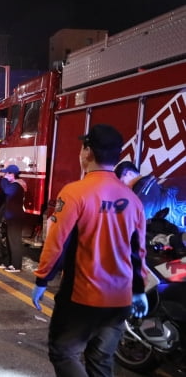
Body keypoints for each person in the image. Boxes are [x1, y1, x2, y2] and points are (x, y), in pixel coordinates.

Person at [32, 124, 148, 377]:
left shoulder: (74, 193)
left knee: (63, 351)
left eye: (82, 147)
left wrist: (42, 279)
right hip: (120, 299)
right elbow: (138, 251)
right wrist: (139, 291)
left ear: (87, 153)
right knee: (100, 358)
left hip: (81, 297)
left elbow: (56, 242)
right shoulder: (133, 200)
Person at [114, 160, 181, 227]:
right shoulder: (154, 182)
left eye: (122, 182)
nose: (124, 188)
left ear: (129, 173)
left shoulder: (141, 193)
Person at [0, 164, 26, 272]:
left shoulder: (17, 185)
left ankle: (16, 265)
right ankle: (10, 263)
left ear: (12, 174)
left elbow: (7, 190)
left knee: (14, 241)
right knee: (9, 240)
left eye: (6, 173)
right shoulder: (14, 184)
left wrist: (3, 180)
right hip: (12, 216)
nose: (4, 175)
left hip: (16, 218)